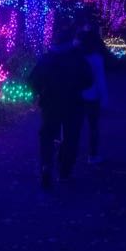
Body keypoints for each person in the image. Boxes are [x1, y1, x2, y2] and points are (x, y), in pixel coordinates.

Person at [29, 26, 94, 190]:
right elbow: (89, 79)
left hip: (50, 103)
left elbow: (32, 80)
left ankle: (46, 165)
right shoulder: (78, 58)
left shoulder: (47, 58)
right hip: (74, 103)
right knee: (71, 137)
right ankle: (65, 171)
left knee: (47, 135)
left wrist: (41, 90)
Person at [77, 29, 108, 164]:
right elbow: (100, 80)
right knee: (93, 127)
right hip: (93, 96)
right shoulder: (97, 58)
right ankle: (92, 155)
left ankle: (68, 153)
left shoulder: (77, 56)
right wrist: (104, 99)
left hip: (77, 96)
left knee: (74, 126)